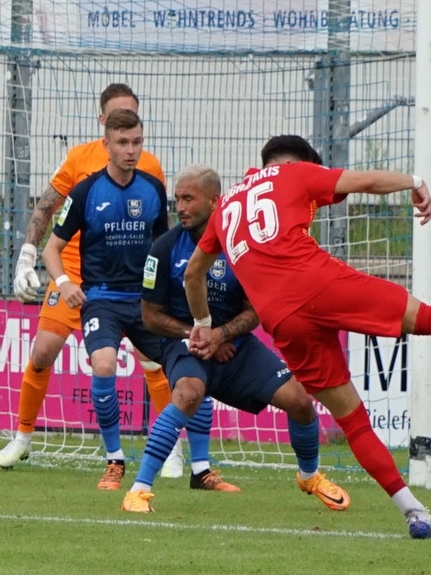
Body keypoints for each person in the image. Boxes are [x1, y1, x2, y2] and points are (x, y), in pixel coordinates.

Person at [184, 135, 431, 539]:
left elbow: (193, 274)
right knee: (423, 317)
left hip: (282, 320)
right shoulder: (297, 173)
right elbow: (366, 182)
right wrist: (414, 182)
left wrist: (202, 321)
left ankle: (414, 512)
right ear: (299, 161)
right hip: (320, 282)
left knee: (353, 422)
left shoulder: (225, 207)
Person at [122, 165, 351, 513]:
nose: (180, 207)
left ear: (215, 201)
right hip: (186, 346)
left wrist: (221, 334)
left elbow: (256, 310)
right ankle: (138, 490)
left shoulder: (243, 247)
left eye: (188, 199)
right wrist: (196, 334)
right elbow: (150, 317)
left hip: (235, 348)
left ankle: (310, 476)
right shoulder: (164, 248)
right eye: (177, 199)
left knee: (301, 401)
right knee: (187, 393)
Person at [0, 83, 185, 477]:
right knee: (42, 353)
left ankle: (171, 449)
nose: (129, 142)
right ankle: (23, 437)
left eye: (133, 121)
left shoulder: (150, 168)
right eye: (118, 120)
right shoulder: (79, 160)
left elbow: (159, 233)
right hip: (74, 274)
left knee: (154, 362)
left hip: (131, 283)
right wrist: (27, 255)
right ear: (104, 123)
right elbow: (46, 206)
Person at [42, 109, 170, 490]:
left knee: (188, 369)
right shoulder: (86, 191)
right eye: (123, 143)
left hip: (144, 300)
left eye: (137, 142)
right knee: (103, 364)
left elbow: (163, 248)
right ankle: (115, 460)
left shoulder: (153, 189)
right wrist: (64, 283)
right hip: (101, 297)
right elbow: (51, 248)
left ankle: (199, 465)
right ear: (107, 145)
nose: (131, 150)